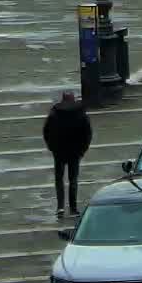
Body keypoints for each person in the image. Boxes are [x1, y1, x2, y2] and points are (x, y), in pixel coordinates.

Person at [42, 90, 92, 218]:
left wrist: (52, 147)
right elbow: (87, 133)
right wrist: (83, 149)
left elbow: (46, 132)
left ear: (63, 99)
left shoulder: (55, 113)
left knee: (59, 179)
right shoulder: (81, 113)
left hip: (59, 151)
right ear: (73, 99)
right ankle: (73, 208)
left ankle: (60, 207)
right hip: (75, 152)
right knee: (73, 180)